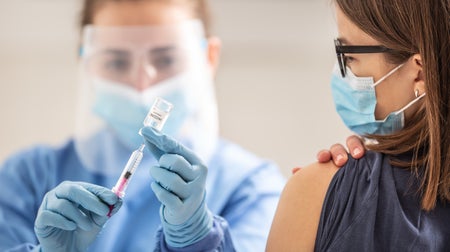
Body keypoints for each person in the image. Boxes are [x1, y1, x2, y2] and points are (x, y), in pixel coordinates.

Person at [0, 0, 289, 251]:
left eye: (166, 59)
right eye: (116, 62)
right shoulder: (27, 178)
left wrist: (196, 240)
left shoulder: (251, 188)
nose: (142, 86)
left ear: (209, 57)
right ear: (86, 60)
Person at [267, 0, 450, 251]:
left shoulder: (317, 191)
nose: (341, 73)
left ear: (419, 73)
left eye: (349, 56)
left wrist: (319, 190)